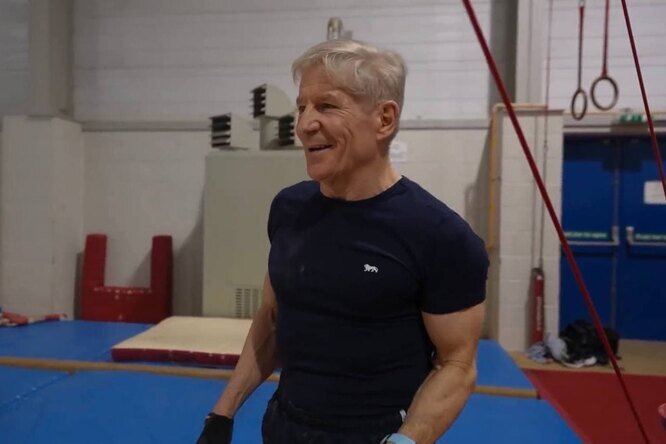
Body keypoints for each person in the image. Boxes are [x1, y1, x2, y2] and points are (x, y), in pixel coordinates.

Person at [197, 39, 488, 444]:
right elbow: (272, 317)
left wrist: (406, 441)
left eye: (326, 106)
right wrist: (222, 414)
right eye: (301, 107)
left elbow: (456, 364)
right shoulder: (289, 209)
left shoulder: (440, 235)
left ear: (384, 119)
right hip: (284, 426)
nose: (304, 124)